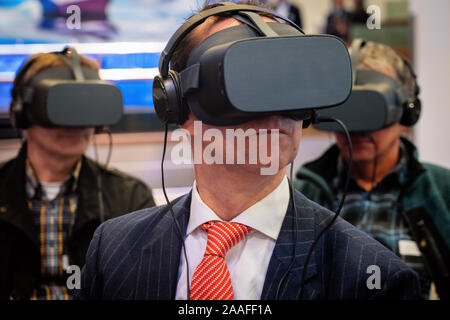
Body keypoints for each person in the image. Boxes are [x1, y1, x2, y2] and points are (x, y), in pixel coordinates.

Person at [76, 1, 420, 300]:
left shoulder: (371, 277)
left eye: (289, 80)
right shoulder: (113, 251)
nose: (276, 107)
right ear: (177, 105)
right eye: (247, 80)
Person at [295, 41, 450, 299]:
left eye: (371, 107)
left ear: (406, 113)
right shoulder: (302, 194)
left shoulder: (442, 192)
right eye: (345, 109)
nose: (357, 127)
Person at [0, 50, 155, 300]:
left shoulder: (129, 199)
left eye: (86, 105)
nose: (76, 123)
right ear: (21, 111)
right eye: (60, 105)